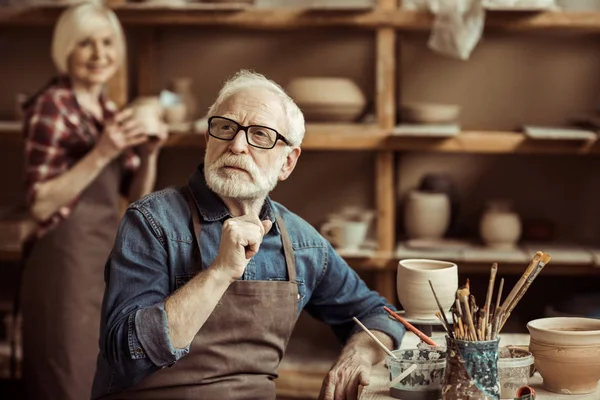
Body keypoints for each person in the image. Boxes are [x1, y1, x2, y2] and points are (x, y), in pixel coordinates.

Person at [91, 70, 405, 400]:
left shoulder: (302, 243)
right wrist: (219, 273)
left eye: (260, 134)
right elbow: (126, 355)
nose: (237, 145)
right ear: (208, 140)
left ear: (288, 162)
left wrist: (357, 356)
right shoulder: (152, 222)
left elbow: (377, 315)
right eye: (226, 128)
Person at [20, 3, 167, 400]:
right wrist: (101, 152)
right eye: (86, 43)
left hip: (105, 266)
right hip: (62, 270)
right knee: (64, 379)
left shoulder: (107, 112)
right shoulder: (51, 107)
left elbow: (135, 202)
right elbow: (40, 204)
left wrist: (151, 153)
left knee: (98, 380)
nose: (100, 54)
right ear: (66, 49)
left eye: (107, 42)